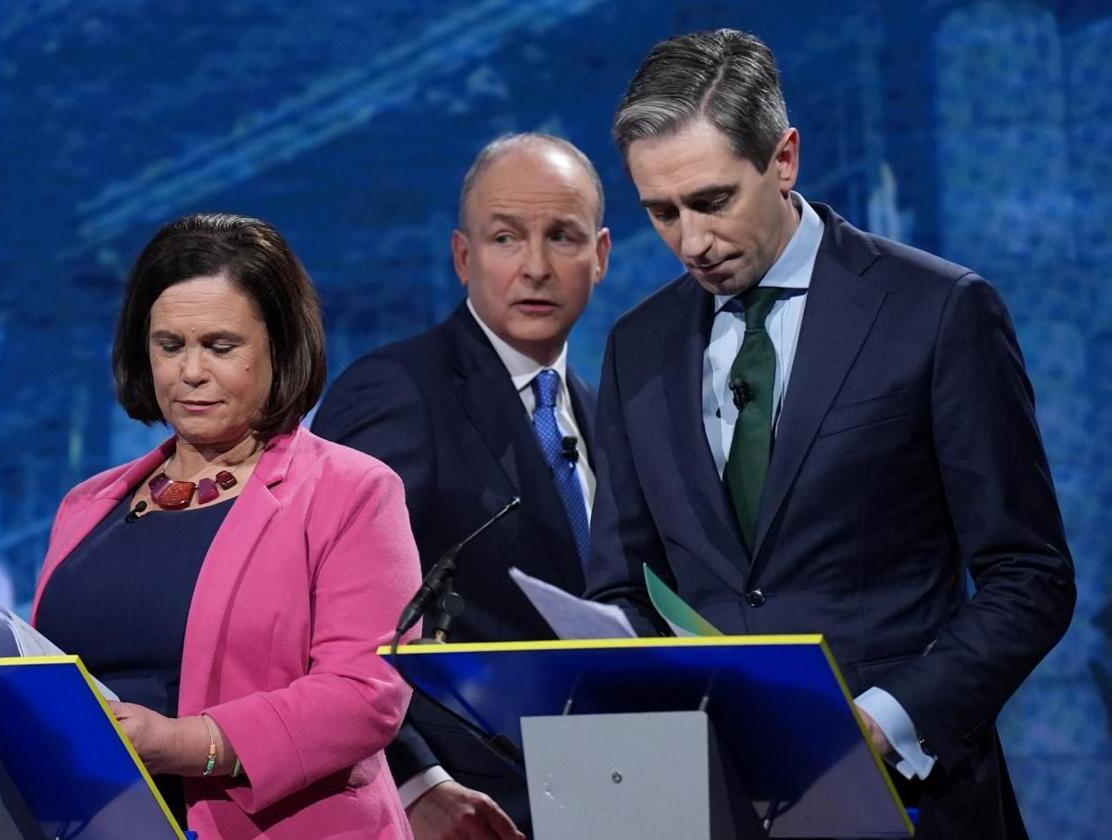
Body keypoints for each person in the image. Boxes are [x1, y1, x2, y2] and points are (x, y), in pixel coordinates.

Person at [584, 29, 1075, 838]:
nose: (691, 242)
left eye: (711, 201)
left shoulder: (939, 311)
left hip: (914, 801)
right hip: (716, 805)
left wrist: (883, 721)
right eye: (660, 213)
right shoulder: (635, 346)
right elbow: (619, 587)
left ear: (784, 159)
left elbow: (1031, 577)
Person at [31, 213, 420, 839]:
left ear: (280, 348)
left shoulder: (351, 492)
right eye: (169, 345)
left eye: (220, 346)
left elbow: (366, 691)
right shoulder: (87, 503)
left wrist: (186, 743)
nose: (190, 372)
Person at [313, 133, 611, 839]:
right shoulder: (397, 390)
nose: (535, 266)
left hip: (606, 797)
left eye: (561, 237)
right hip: (459, 812)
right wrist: (416, 781)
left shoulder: (609, 418)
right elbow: (324, 605)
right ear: (463, 257)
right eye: (506, 237)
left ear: (599, 258)